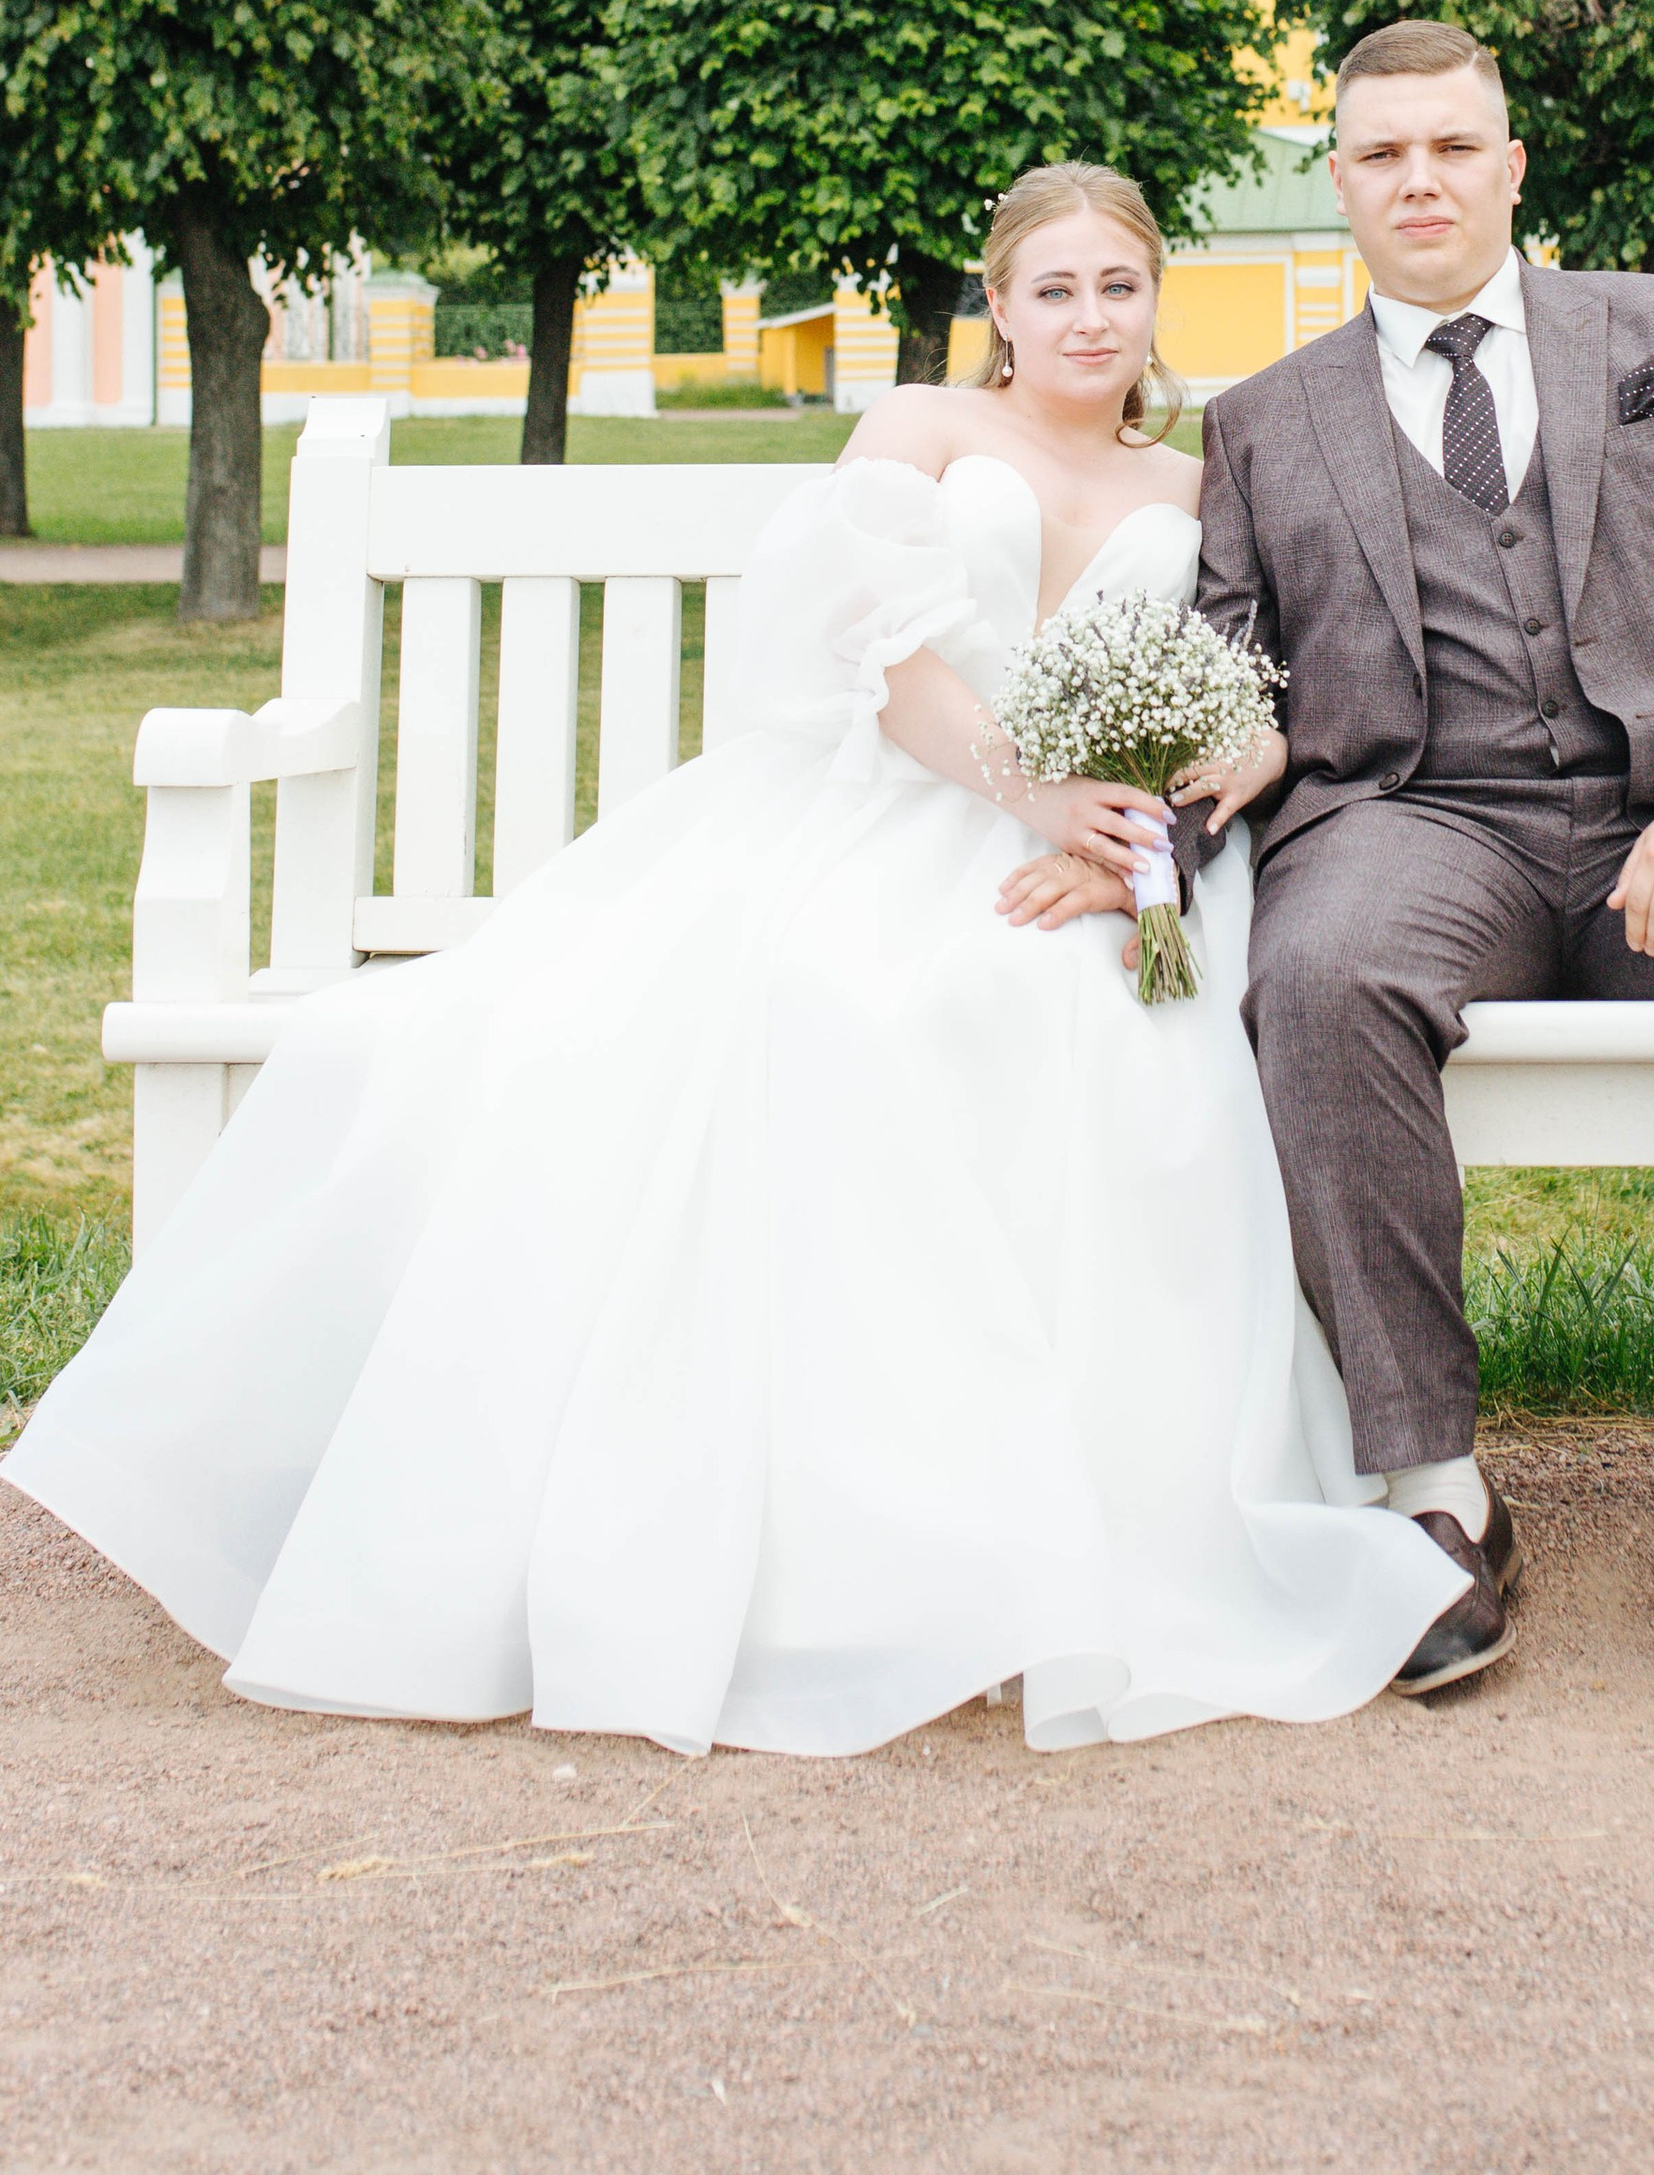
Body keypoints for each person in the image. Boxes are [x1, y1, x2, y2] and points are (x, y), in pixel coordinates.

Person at [5, 165, 1454, 1755]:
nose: (1089, 318)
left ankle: (1039, 1530)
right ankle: (824, 1553)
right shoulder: (920, 428)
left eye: (1119, 286)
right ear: (998, 304)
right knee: (819, 1003)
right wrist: (1030, 793)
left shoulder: (1200, 473)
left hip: (1108, 867)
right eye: (1054, 289)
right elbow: (879, 657)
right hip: (901, 808)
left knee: (1089, 1023)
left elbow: (1257, 684)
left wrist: (1146, 830)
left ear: (1156, 297)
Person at [1198, 24, 1654, 1706]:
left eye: (1453, 147)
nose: (1421, 180)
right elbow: (1229, 669)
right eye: (1382, 154)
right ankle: (1436, 1497)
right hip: (1419, 823)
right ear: (1341, 184)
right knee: (1318, 974)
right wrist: (1195, 777)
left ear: (1512, 165)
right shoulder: (1261, 421)